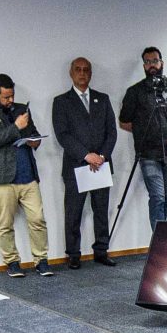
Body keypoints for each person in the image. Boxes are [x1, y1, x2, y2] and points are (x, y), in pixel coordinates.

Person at [0, 74, 53, 277]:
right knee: (5, 224)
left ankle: (41, 260)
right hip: (2, 178)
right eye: (6, 97)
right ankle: (12, 262)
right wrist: (16, 127)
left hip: (27, 174)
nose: (10, 100)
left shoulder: (21, 110)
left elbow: (34, 133)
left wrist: (35, 140)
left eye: (12, 96)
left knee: (38, 219)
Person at [50, 56, 117, 265]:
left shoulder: (102, 99)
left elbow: (112, 132)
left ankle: (101, 251)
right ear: (71, 73)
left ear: (91, 73)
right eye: (78, 69)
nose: (82, 73)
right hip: (76, 166)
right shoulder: (61, 102)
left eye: (86, 69)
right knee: (73, 213)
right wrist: (87, 155)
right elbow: (63, 135)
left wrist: (102, 156)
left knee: (101, 211)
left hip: (101, 165)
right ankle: (73, 254)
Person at [118, 46, 167, 227]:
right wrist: (143, 131)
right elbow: (123, 122)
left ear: (162, 63)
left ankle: (163, 234)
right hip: (148, 154)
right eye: (147, 62)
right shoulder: (135, 92)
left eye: (155, 61)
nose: (151, 65)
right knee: (158, 197)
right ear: (144, 66)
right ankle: (158, 239)